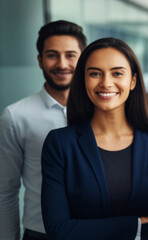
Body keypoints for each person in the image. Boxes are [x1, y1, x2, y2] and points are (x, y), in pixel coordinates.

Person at [40, 38, 148, 239]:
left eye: (117, 73)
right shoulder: (60, 144)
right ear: (83, 81)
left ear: (133, 81)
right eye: (95, 73)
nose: (106, 82)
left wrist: (87, 229)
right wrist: (137, 224)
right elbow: (59, 230)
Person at [0, 20, 86, 240]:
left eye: (70, 55)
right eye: (52, 55)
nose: (62, 63)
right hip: (40, 234)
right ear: (40, 60)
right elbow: (6, 191)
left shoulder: (102, 112)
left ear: (83, 58)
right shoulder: (16, 115)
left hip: (94, 231)